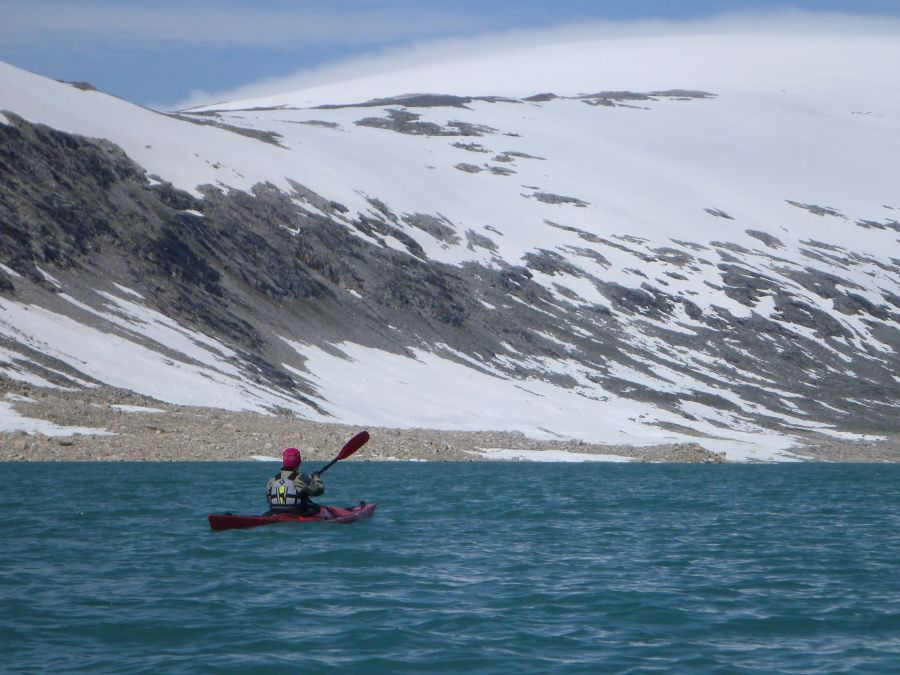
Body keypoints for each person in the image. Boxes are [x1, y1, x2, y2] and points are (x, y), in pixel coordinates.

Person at [265, 447, 324, 515]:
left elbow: (269, 500)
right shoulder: (302, 478)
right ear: (298, 463)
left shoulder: (272, 480)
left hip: (274, 512)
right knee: (317, 508)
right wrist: (316, 478)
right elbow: (319, 490)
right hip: (297, 513)